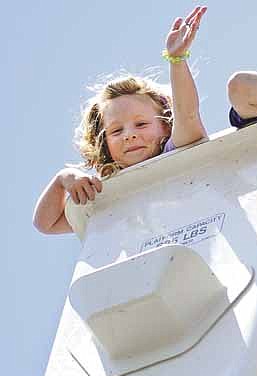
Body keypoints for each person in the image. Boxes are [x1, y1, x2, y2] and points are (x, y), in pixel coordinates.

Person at [32, 6, 207, 234]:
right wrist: (63, 178)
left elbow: (188, 113)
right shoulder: (105, 192)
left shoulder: (178, 149)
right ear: (104, 143)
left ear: (165, 124)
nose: (129, 135)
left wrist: (176, 59)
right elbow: (46, 223)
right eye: (116, 131)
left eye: (141, 124)